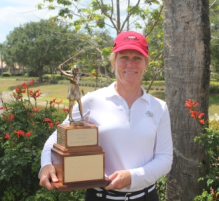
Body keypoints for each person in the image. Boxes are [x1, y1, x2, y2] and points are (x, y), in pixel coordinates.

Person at [39, 31, 173, 201]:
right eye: (124, 57)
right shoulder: (92, 101)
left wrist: (132, 177)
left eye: (137, 58)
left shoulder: (158, 107)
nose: (130, 64)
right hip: (100, 196)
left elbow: (165, 158)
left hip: (146, 197)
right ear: (114, 62)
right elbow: (58, 137)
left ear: (146, 64)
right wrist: (46, 164)